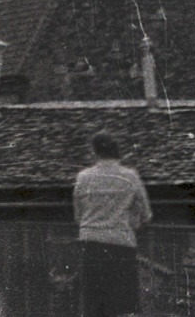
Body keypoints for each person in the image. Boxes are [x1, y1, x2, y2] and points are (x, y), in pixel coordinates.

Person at [72, 131, 151, 317]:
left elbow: (78, 216)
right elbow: (145, 215)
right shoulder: (130, 177)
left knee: (93, 303)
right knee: (123, 304)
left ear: (94, 152)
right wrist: (131, 222)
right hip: (121, 244)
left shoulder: (83, 178)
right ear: (118, 151)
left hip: (91, 244)